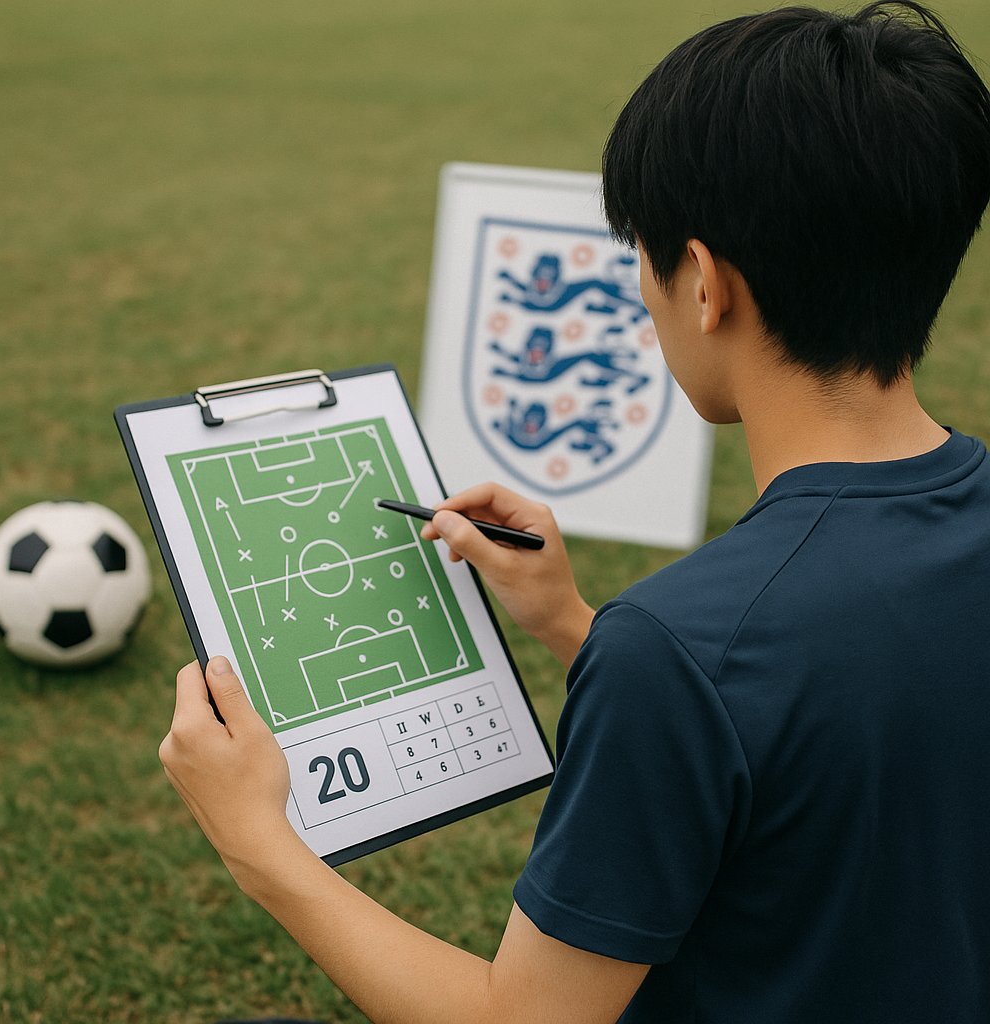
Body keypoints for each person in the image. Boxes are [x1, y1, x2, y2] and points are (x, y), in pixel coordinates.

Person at [159, 3, 990, 1021]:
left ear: (703, 286)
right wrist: (571, 626)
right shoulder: (692, 650)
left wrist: (258, 843)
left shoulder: (674, 653)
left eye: (641, 252)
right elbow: (832, 732)